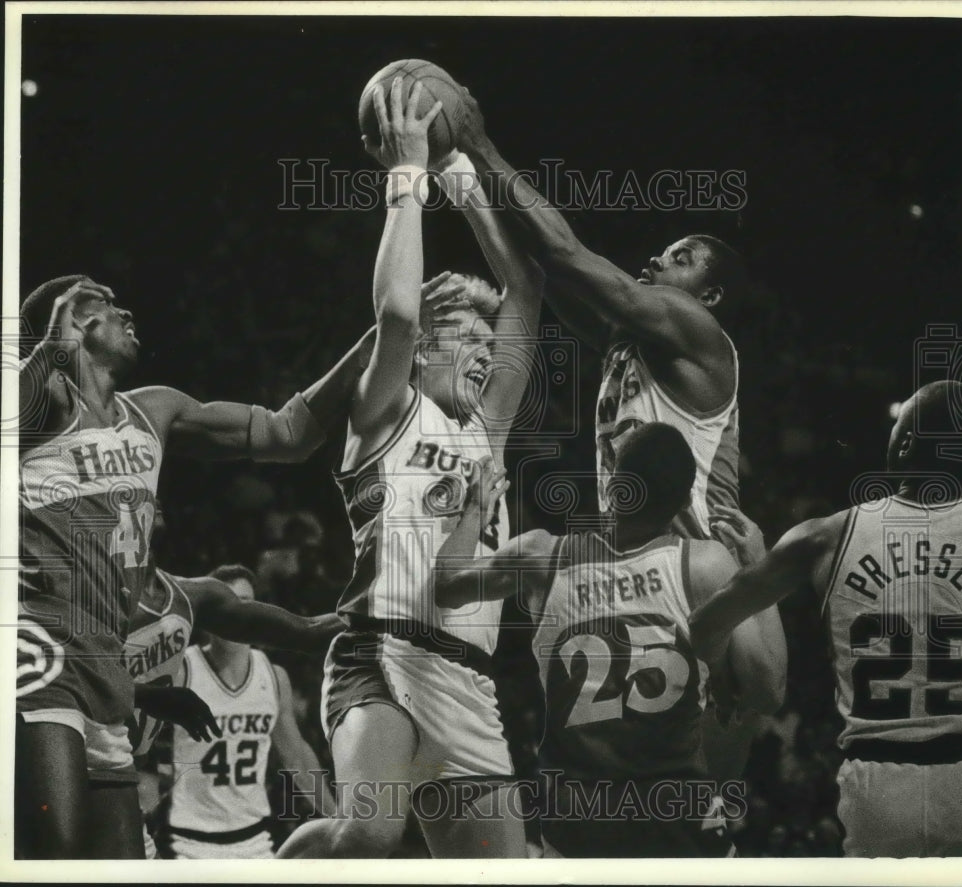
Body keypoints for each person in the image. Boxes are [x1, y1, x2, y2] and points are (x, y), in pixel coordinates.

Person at [449, 85, 757, 780]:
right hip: (634, 558)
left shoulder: (698, 332)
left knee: (683, 767)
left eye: (679, 258)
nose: (655, 260)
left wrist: (478, 142)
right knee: (619, 769)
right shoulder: (631, 344)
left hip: (693, 563)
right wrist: (463, 182)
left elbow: (569, 251)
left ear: (708, 296)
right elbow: (542, 267)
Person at [16, 270, 374, 858]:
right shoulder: (44, 404)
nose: (129, 315)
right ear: (77, 321)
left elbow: (287, 434)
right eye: (107, 306)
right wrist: (59, 323)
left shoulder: (156, 410)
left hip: (106, 665)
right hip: (41, 644)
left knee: (120, 863)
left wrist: (366, 352)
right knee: (55, 849)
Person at [278, 78, 543, 859]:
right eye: (470, 340)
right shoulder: (386, 409)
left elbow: (528, 287)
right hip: (380, 653)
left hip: (470, 681)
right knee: (370, 832)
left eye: (492, 349)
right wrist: (411, 174)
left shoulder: (486, 431)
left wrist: (461, 174)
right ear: (426, 349)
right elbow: (395, 311)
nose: (488, 356)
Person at [433, 423, 786, 857]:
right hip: (672, 819)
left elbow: (445, 585)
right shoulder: (705, 565)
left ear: (612, 487)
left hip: (577, 827)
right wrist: (760, 567)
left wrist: (476, 509)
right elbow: (768, 690)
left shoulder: (542, 556)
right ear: (681, 504)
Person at [689, 380, 962, 857]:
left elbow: (705, 625)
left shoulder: (823, 536)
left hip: (879, 783)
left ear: (903, 443)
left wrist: (721, 669)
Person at [123, 554, 344, 857]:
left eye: (247, 602)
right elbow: (143, 759)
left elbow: (298, 759)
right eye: (232, 602)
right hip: (186, 843)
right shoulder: (182, 667)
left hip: (255, 841)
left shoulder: (273, 675)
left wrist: (339, 821)